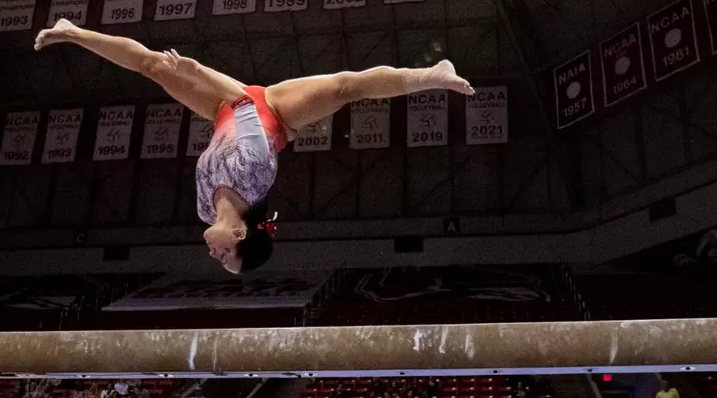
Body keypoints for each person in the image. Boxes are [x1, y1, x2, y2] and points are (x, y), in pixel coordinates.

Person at [35, 19, 472, 272]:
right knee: (344, 88)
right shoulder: (255, 175)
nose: (213, 252)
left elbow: (227, 107)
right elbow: (244, 98)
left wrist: (184, 75)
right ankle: (432, 74)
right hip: (272, 110)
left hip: (222, 112)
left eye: (218, 258)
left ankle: (72, 32)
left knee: (152, 66)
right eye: (226, 254)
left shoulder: (206, 212)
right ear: (241, 233)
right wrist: (194, 69)